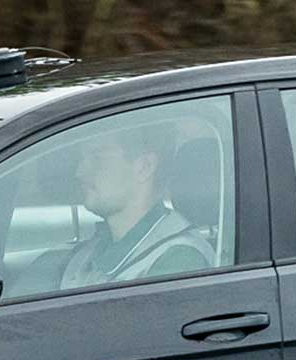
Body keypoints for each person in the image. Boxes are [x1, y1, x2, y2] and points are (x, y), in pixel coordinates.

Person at [56, 119, 216, 289]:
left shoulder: (178, 260)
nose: (79, 172)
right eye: (82, 159)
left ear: (144, 167)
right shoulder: (86, 253)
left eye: (97, 158)